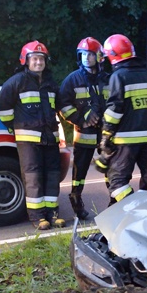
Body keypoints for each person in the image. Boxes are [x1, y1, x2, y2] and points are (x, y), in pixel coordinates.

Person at [0, 41, 64, 230]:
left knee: (52, 176)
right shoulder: (17, 81)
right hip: (28, 141)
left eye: (41, 59)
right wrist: (13, 127)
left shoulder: (50, 83)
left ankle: (53, 214)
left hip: (50, 138)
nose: (38, 63)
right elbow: (2, 107)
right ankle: (37, 217)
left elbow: (59, 106)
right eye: (34, 59)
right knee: (33, 178)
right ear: (26, 61)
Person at [100, 34, 147, 203]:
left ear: (112, 55)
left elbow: (114, 111)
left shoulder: (118, 76)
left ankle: (133, 211)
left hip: (126, 140)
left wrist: (106, 134)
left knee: (117, 182)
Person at [57, 37, 109, 220]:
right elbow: (63, 104)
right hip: (84, 135)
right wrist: (82, 119)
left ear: (99, 56)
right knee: (79, 174)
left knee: (111, 170)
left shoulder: (107, 79)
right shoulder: (72, 80)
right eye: (84, 54)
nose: (87, 58)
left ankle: (115, 204)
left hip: (105, 134)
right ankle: (76, 202)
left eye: (91, 54)